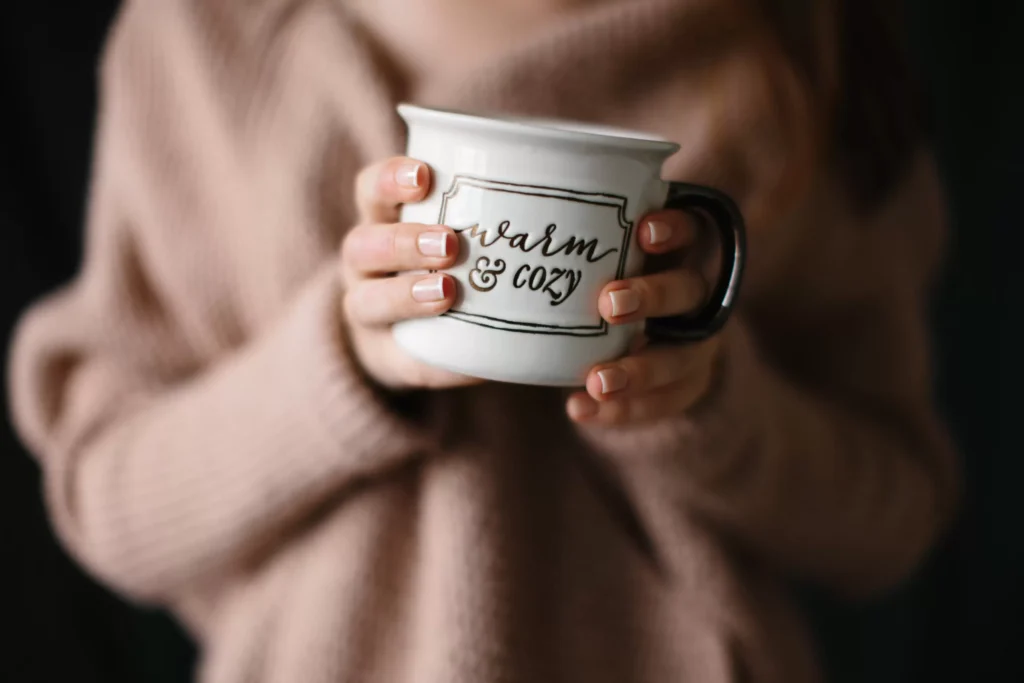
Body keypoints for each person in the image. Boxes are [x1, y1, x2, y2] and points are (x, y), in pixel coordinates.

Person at [6, 0, 958, 681]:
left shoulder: (795, 50)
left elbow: (893, 511)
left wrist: (712, 404)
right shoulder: (196, 42)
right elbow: (104, 493)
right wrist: (342, 365)